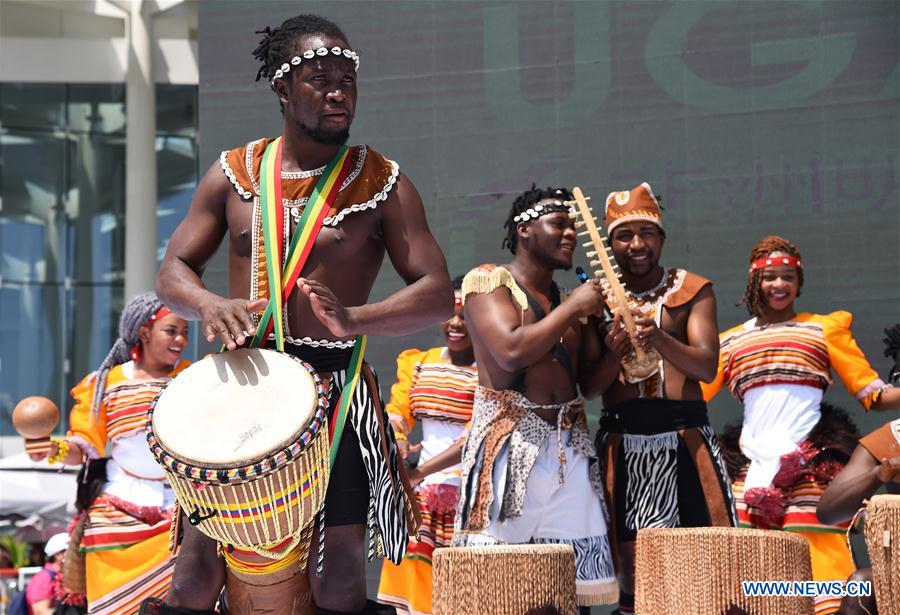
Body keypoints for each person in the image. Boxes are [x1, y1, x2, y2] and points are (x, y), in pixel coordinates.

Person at [150, 13, 452, 615]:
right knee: (194, 580)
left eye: (348, 79)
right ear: (283, 89)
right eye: (321, 78)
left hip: (335, 391)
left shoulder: (382, 182)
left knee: (338, 582)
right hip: (241, 383)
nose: (340, 91)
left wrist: (357, 320)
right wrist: (211, 302)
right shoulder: (233, 174)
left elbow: (439, 291)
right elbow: (172, 272)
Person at [703, 235, 900, 615]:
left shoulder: (825, 329)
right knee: (750, 575)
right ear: (753, 283)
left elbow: (873, 396)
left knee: (821, 562)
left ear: (799, 282)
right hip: (752, 469)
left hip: (810, 466)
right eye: (770, 277)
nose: (779, 285)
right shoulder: (729, 342)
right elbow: (690, 398)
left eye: (788, 277)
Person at [453, 185, 619, 610]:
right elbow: (509, 351)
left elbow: (590, 386)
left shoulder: (568, 300)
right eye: (559, 224)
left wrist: (617, 347)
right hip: (508, 449)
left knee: (562, 588)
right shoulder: (488, 282)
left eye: (573, 227)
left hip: (570, 449)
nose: (570, 235)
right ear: (525, 230)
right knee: (496, 587)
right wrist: (573, 309)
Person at [583, 183, 736, 615]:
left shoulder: (693, 289)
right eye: (624, 235)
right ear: (609, 243)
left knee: (708, 561)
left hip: (686, 437)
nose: (636, 244)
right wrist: (615, 352)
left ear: (662, 239)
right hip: (623, 442)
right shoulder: (596, 302)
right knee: (633, 571)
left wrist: (658, 337)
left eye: (646, 233)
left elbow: (706, 366)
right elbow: (590, 387)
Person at [24, 293, 189, 614]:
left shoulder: (193, 377)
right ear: (144, 332)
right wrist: (51, 449)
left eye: (185, 331)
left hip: (181, 505)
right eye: (171, 330)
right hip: (116, 508)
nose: (181, 339)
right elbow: (84, 447)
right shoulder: (106, 382)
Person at [377, 276, 478, 615]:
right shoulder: (419, 361)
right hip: (422, 499)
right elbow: (398, 411)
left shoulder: (492, 371)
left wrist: (418, 473)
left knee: (463, 597)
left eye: (466, 315)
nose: (455, 323)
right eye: (450, 313)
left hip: (471, 497)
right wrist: (400, 439)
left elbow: (475, 438)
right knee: (415, 600)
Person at [24, 533, 68, 615]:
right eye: (72, 551)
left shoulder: (62, 575)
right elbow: (40, 612)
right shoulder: (43, 578)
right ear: (58, 555)